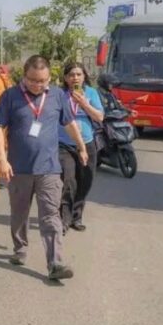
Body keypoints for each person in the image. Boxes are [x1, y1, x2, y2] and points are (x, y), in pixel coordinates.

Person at [0, 55, 87, 280]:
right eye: (33, 80)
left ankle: (55, 263)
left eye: (43, 80)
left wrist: (81, 146)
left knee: (50, 215)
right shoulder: (10, 96)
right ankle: (20, 248)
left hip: (49, 169)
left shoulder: (56, 96)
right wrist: (1, 159)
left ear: (50, 77)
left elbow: (70, 123)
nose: (38, 85)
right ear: (24, 76)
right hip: (19, 169)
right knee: (19, 214)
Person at [58, 62, 104, 234]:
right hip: (64, 144)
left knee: (86, 180)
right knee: (68, 181)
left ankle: (77, 217)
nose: (75, 77)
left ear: (84, 76)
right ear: (65, 78)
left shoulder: (91, 93)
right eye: (71, 74)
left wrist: (84, 104)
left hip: (87, 143)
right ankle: (64, 218)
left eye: (78, 74)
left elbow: (99, 117)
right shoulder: (60, 94)